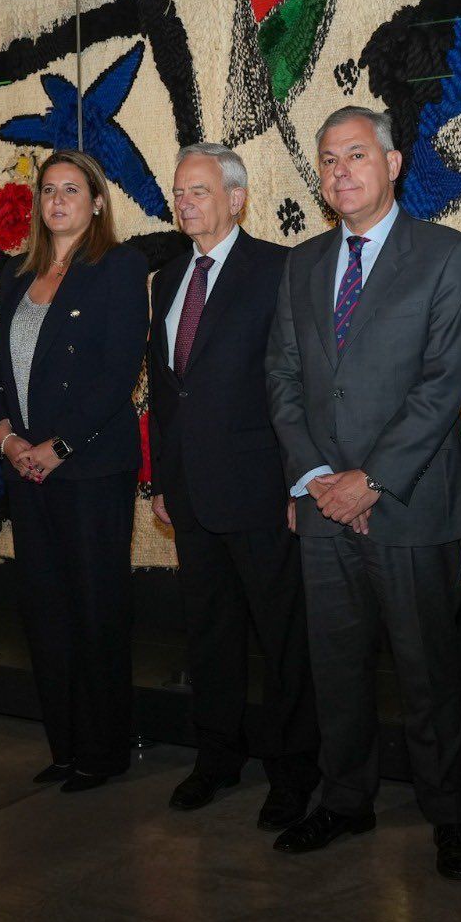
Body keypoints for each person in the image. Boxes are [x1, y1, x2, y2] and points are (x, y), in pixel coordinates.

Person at [264, 106, 461, 880]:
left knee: (427, 674)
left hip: (410, 503)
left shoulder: (448, 255)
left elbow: (445, 380)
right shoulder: (302, 264)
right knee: (338, 672)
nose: (340, 172)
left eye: (356, 155)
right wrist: (320, 480)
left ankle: (449, 816)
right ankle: (345, 801)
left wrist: (372, 479)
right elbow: (283, 380)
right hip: (323, 508)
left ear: (393, 164)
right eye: (326, 161)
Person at [147, 143, 319, 827]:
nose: (186, 203)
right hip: (190, 492)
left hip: (261, 491)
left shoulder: (278, 269)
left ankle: (292, 773)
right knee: (209, 635)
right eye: (179, 192)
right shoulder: (166, 278)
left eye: (200, 191)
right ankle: (215, 760)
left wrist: (297, 483)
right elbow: (166, 390)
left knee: (283, 640)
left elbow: (298, 385)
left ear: (237, 198)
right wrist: (162, 478)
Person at [0, 149, 149, 793]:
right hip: (26, 471)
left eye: (71, 189)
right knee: (45, 613)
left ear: (97, 201)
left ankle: (103, 752)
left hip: (88, 472)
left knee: (95, 610)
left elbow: (115, 374)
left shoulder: (119, 267)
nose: (57, 200)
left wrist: (59, 446)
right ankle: (66, 744)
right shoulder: (17, 278)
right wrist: (6, 437)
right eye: (48, 189)